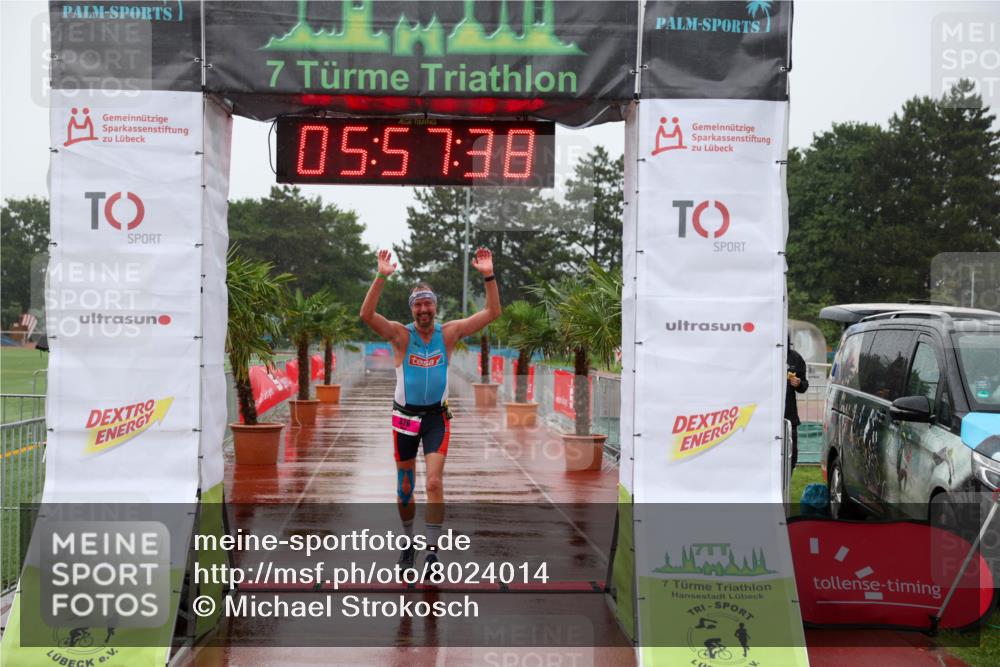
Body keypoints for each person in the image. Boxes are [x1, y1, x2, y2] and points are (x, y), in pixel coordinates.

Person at [359, 247, 501, 573]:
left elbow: (493, 312)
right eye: (418, 304)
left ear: (436, 305)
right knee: (405, 486)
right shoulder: (400, 335)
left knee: (434, 484)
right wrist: (381, 276)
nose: (424, 309)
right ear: (412, 309)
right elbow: (366, 315)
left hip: (436, 417)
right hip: (404, 418)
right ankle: (407, 543)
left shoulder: (448, 334)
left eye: (428, 303)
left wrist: (488, 274)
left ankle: (433, 553)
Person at [786, 336, 809, 470]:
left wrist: (799, 383)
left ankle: (785, 486)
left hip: (789, 417)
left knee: (791, 456)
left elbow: (804, 385)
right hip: (766, 415)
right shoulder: (765, 355)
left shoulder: (795, 358)